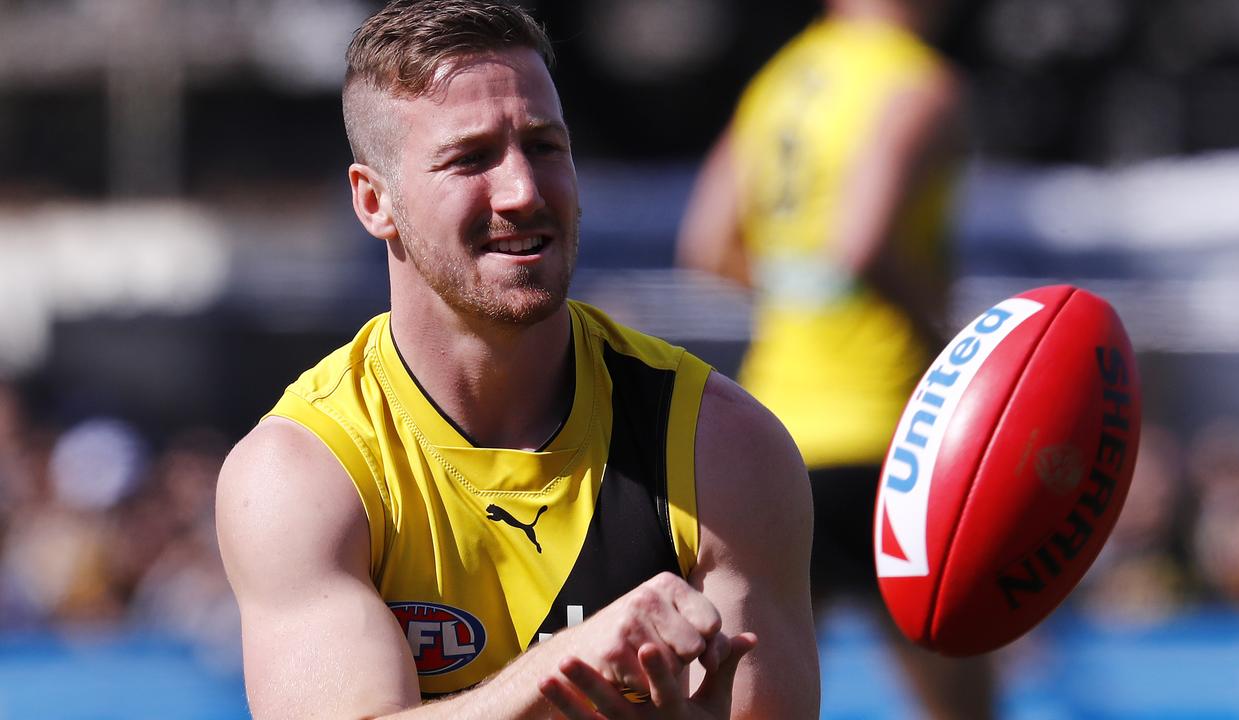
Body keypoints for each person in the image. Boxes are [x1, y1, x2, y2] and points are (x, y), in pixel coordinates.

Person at [214, 2, 819, 718]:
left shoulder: (718, 445)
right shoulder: (305, 472)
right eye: (471, 159)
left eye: (544, 145)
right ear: (375, 201)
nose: (523, 191)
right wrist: (557, 666)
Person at [677, 0, 994, 718]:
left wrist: (797, 298)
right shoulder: (919, 85)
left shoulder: (780, 81)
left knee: (739, 700)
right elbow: (864, 245)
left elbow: (706, 244)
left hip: (774, 435)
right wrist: (958, 351)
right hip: (893, 440)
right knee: (964, 707)